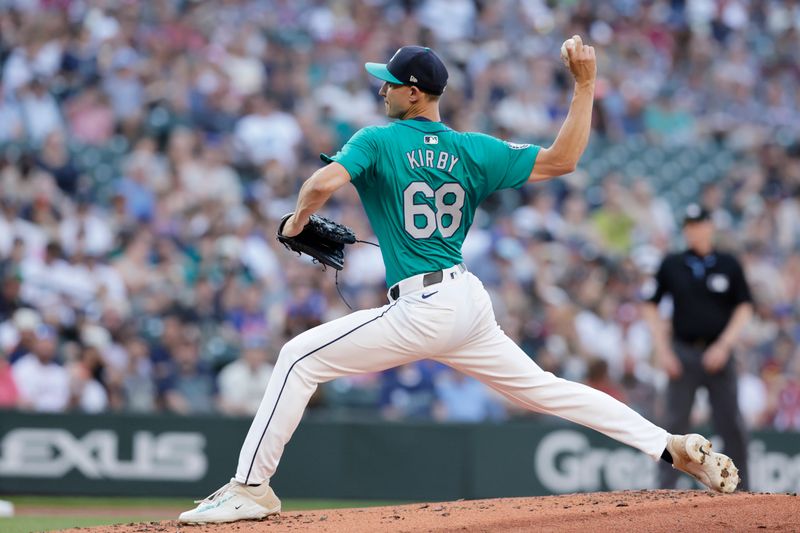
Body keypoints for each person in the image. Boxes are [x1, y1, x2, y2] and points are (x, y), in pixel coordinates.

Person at [179, 39, 739, 524]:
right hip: (466, 302)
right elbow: (563, 160)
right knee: (547, 389)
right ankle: (669, 447)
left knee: (299, 358)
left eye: (391, 84)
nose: (383, 91)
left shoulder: (378, 140)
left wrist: (294, 224)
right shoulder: (473, 149)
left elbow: (322, 182)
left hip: (423, 307)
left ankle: (250, 488)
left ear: (416, 93)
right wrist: (585, 85)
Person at [642, 203, 753, 490]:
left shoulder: (729, 264)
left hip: (719, 353)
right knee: (674, 424)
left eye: (699, 224)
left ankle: (742, 489)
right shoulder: (672, 264)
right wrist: (664, 350)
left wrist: (725, 345)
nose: (694, 231)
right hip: (683, 351)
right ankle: (664, 489)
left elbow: (744, 307)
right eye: (689, 226)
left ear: (710, 227)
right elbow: (651, 307)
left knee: (731, 423)